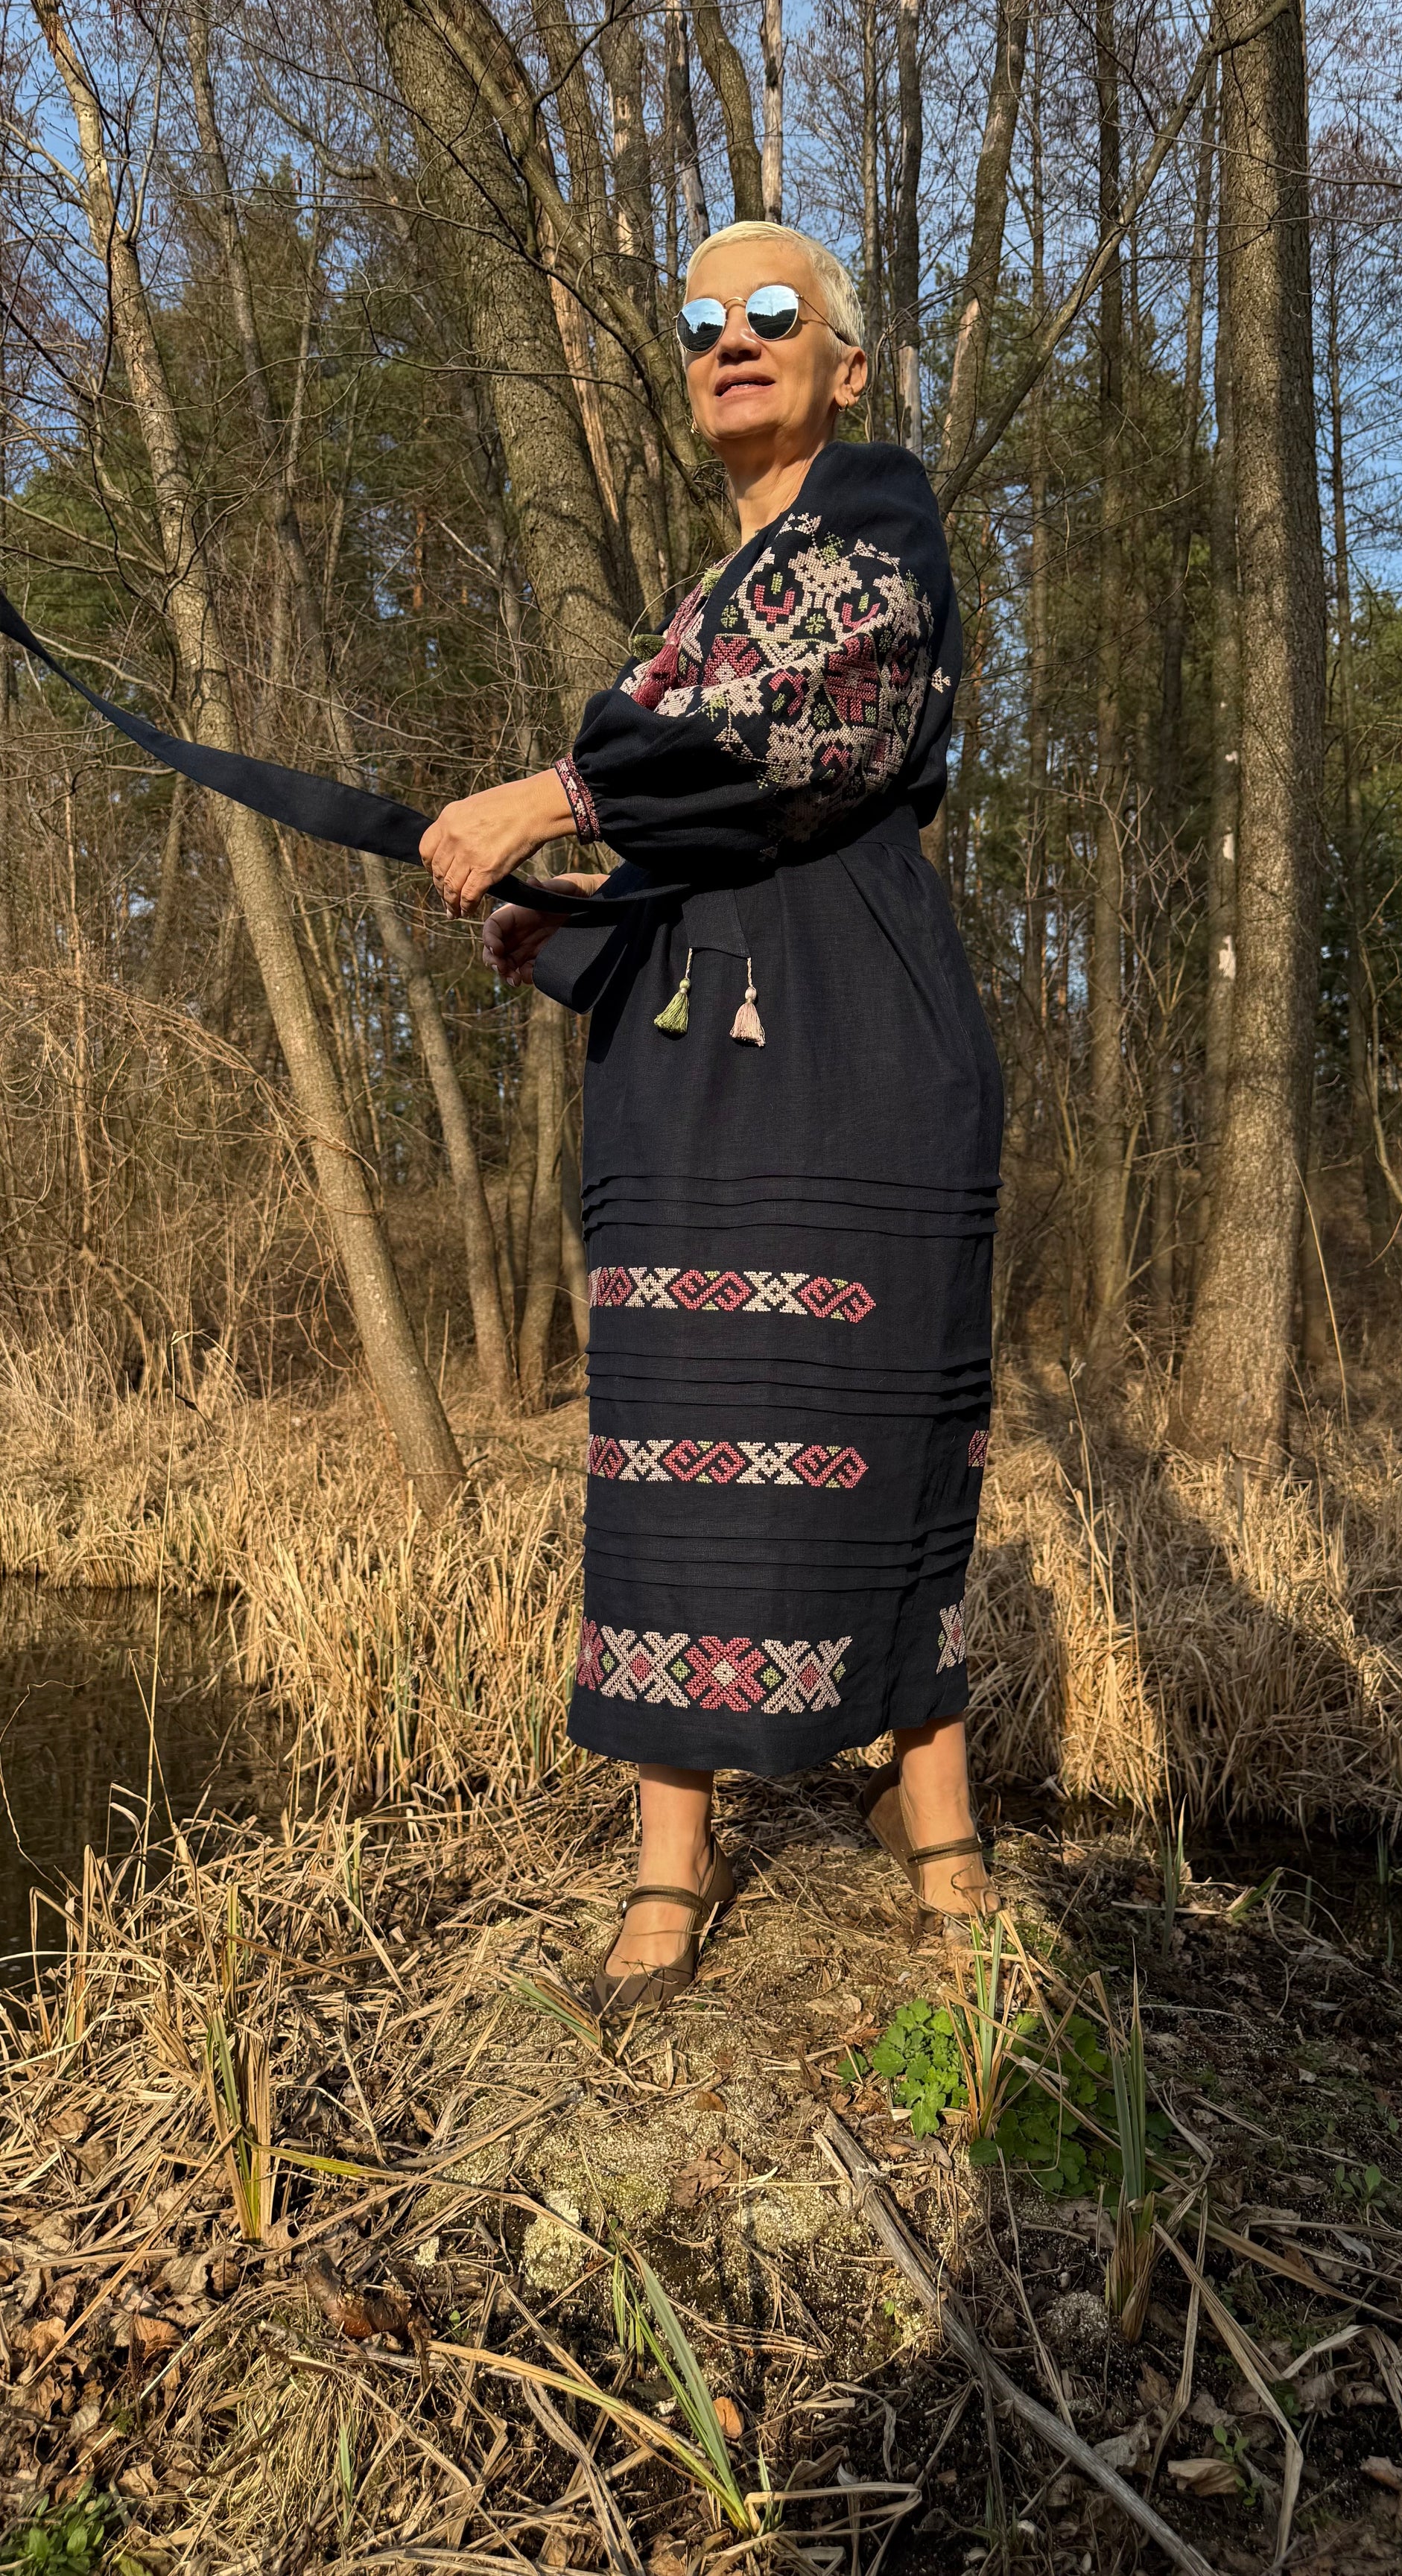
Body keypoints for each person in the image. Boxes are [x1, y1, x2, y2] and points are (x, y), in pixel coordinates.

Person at [420, 221, 1004, 2018]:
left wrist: (554, 790)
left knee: (883, 1417)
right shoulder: (695, 601)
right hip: (686, 1070)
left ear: (840, 364)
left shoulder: (873, 529)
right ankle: (670, 1851)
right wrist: (560, 927)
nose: (728, 339)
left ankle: (942, 1830)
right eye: (699, 323)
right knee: (672, 1426)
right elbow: (690, 856)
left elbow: (803, 733)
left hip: (857, 1037)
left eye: (771, 314)